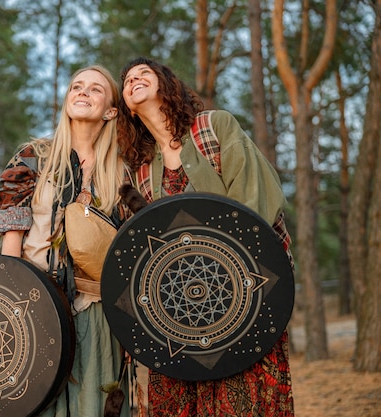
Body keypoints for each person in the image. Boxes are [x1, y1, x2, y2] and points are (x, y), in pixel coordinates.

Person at [117, 56, 295, 417]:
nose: (134, 80)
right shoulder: (140, 172)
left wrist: (234, 282)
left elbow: (255, 200)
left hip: (245, 293)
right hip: (178, 315)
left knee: (243, 402)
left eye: (143, 74)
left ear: (166, 84)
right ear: (128, 110)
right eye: (127, 80)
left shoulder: (213, 128)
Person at [0, 65, 131, 417]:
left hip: (96, 311)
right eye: (77, 87)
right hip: (34, 304)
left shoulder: (121, 170)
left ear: (111, 111)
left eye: (96, 89)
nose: (83, 93)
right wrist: (10, 299)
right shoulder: (34, 155)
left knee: (93, 406)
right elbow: (13, 227)